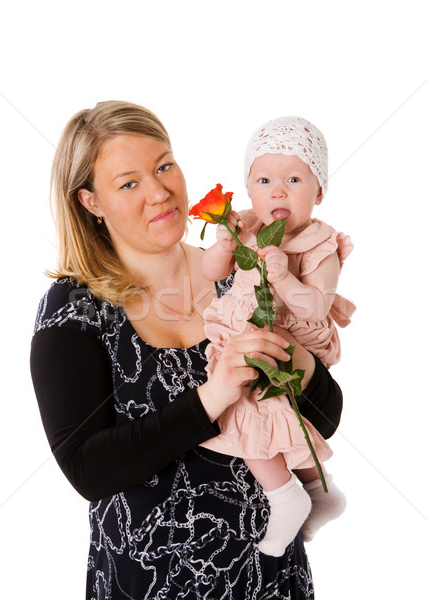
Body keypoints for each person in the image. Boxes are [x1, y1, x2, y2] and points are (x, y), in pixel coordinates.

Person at [30, 101, 344, 599]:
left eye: (164, 166)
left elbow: (319, 421)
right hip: (146, 585)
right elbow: (88, 469)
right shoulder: (75, 308)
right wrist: (213, 396)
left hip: (270, 581)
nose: (159, 192)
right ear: (91, 203)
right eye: (129, 183)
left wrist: (295, 360)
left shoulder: (240, 271)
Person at [197, 116, 355, 556]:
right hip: (248, 332)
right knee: (251, 406)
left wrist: (285, 279)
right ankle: (316, 489)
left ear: (319, 191)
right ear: (249, 189)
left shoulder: (321, 246)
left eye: (294, 179)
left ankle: (284, 495)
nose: (278, 190)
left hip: (290, 336)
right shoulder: (246, 226)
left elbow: (316, 307)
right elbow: (210, 273)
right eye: (264, 179)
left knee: (247, 406)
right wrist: (221, 249)